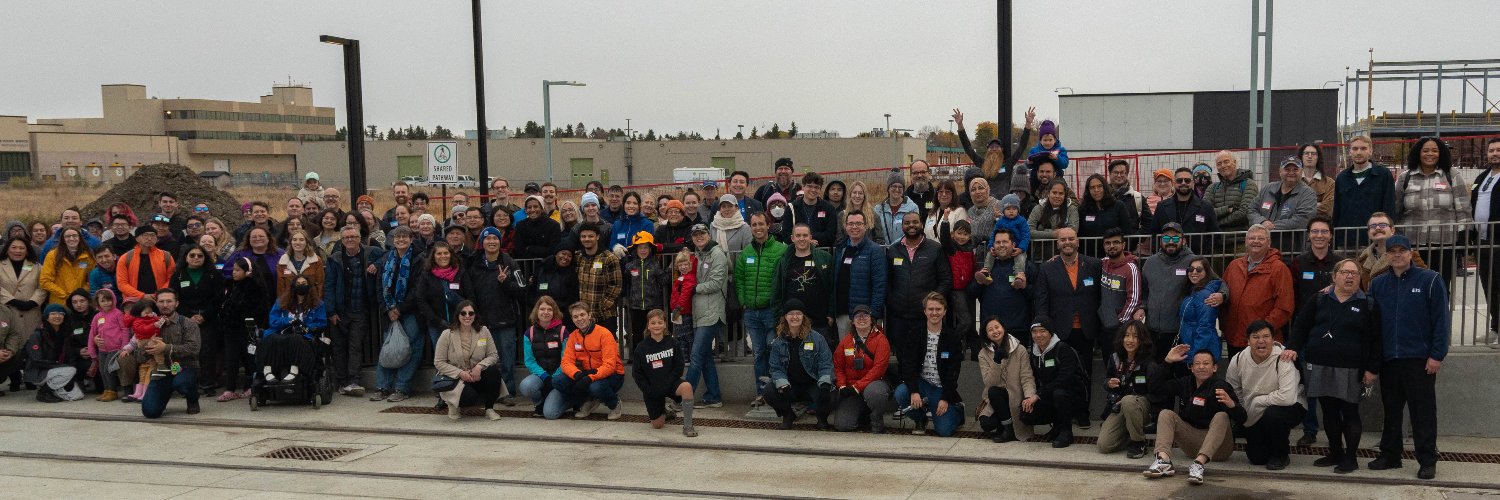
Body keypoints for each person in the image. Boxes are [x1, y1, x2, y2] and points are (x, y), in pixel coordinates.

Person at [1287, 258, 1381, 473]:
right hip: (1320, 365)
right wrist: (1292, 346)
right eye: (1345, 272)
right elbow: (1301, 325)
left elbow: (1376, 340)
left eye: (1354, 273)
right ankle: (1335, 452)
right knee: (1328, 412)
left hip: (1351, 369)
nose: (1349, 276)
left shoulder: (1368, 304)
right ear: (1334, 276)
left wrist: (1372, 369)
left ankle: (1350, 457)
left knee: (1349, 413)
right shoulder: (1319, 298)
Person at [1367, 234, 1447, 480]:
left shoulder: (1430, 279)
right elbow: (1373, 324)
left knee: (1422, 412)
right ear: (1387, 255)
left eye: (1403, 250)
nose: (1398, 254)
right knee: (1391, 410)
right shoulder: (1378, 284)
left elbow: (1441, 321)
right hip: (1390, 359)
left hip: (1419, 359)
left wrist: (1436, 355)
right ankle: (1391, 455)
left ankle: (1427, 459)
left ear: (1411, 253)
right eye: (1393, 251)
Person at [1143, 346, 1247, 486]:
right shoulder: (1185, 383)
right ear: (1191, 368)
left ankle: (1198, 464)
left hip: (1220, 448)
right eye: (1197, 364)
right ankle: (1163, 461)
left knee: (1221, 416)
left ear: (1214, 367)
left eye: (1206, 363)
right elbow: (1155, 387)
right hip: (1192, 444)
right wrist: (1167, 361)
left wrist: (1231, 404)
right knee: (1166, 414)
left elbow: (1243, 418)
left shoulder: (1221, 386)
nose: (1201, 367)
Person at [1034, 227, 1102, 425]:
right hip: (1059, 331)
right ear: (1057, 243)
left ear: (1078, 241)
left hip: (1086, 329)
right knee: (1058, 374)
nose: (1067, 242)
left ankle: (1083, 414)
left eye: (1071, 238)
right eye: (1063, 239)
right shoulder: (1047, 268)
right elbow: (1042, 301)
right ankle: (1060, 415)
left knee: (1084, 374)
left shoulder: (1094, 265)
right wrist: (1043, 329)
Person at [1225, 320, 1306, 470]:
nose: (1261, 341)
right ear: (1248, 341)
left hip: (1290, 407)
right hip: (1254, 411)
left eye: (1266, 336)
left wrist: (1258, 401)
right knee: (1257, 458)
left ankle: (1281, 454)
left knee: (1273, 415)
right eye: (1255, 337)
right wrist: (1245, 411)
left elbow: (1287, 397)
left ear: (1273, 339)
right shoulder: (1237, 359)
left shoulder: (1283, 358)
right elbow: (1234, 390)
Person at [1290, 216, 1341, 445]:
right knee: (1308, 383)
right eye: (1315, 231)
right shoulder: (1298, 263)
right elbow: (1291, 297)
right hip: (1307, 330)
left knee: (1333, 382)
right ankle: (1309, 430)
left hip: (1334, 330)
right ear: (1308, 235)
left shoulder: (1340, 263)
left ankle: (1335, 431)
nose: (1319, 236)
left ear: (1330, 235)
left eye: (1324, 232)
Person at [463, 226, 526, 405]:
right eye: (487, 238)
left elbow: (522, 291)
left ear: (500, 242)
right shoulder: (474, 264)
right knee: (484, 361)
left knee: (506, 360)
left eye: (495, 238)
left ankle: (507, 393)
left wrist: (506, 283)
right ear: (482, 242)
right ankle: (489, 392)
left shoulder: (509, 262)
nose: (491, 241)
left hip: (506, 320)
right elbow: (470, 292)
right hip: (482, 323)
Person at [1395, 136, 1469, 288]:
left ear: (1441, 153)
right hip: (1412, 245)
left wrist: (1464, 234)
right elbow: (1396, 209)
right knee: (1413, 288)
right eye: (1426, 150)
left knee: (1440, 287)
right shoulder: (1405, 178)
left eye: (1435, 150)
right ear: (1418, 153)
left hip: (1444, 244)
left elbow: (1463, 208)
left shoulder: (1452, 175)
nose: (1430, 154)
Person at [893, 293, 965, 437]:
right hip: (922, 384)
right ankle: (920, 418)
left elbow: (953, 372)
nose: (934, 313)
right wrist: (914, 391)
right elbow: (908, 365)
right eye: (930, 309)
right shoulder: (915, 333)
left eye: (938, 309)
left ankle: (957, 410)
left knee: (945, 431)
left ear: (944, 311)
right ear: (925, 311)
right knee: (901, 393)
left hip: (941, 389)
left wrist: (945, 399)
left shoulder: (953, 337)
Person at [1219, 226, 1294, 358]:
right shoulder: (1234, 266)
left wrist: (1263, 331)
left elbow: (1284, 306)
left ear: (1269, 243)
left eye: (1261, 238)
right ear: (1246, 241)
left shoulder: (1279, 269)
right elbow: (1223, 293)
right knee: (1235, 378)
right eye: (1252, 238)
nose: (1256, 241)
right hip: (1234, 338)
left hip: (1262, 343)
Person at [325, 225, 381, 397]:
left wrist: (376, 265)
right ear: (342, 240)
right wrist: (331, 311)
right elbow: (329, 286)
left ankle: (354, 381)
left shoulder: (370, 252)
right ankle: (342, 382)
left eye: (353, 237)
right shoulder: (335, 259)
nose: (350, 240)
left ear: (359, 238)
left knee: (355, 346)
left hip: (360, 310)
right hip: (340, 311)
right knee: (339, 347)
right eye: (346, 237)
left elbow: (388, 255)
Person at [762, 299, 835, 430]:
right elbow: (775, 367)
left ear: (804, 317)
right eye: (791, 314)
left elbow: (826, 362)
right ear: (785, 317)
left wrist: (824, 380)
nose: (795, 317)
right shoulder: (778, 342)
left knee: (830, 391)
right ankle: (788, 415)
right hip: (790, 386)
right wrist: (782, 382)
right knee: (768, 390)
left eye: (798, 313)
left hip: (813, 383)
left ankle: (822, 418)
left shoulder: (817, 338)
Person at [735, 212, 786, 398]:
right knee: (758, 353)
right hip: (751, 313)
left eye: (761, 224)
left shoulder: (781, 250)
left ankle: (777, 390)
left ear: (768, 225)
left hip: (772, 311)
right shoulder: (746, 252)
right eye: (754, 224)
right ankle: (762, 393)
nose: (757, 228)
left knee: (773, 349)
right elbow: (739, 279)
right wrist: (743, 302)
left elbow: (784, 279)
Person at [370, 226, 423, 403]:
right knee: (388, 349)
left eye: (404, 237)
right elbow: (379, 286)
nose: (400, 240)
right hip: (389, 312)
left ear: (411, 239)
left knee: (411, 350)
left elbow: (418, 288)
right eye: (397, 237)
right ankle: (382, 386)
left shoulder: (419, 259)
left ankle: (402, 387)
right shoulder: (386, 258)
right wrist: (388, 309)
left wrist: (400, 308)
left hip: (411, 313)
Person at [885, 212, 952, 352]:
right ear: (902, 226)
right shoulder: (893, 250)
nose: (911, 225)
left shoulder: (935, 249)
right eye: (907, 223)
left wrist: (933, 303)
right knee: (902, 358)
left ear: (921, 224)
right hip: (899, 316)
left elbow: (945, 279)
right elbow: (887, 281)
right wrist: (892, 301)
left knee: (924, 356)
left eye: (915, 222)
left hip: (924, 316)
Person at [432, 300, 503, 421]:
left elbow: (493, 355)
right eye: (463, 313)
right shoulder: (447, 334)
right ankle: (453, 405)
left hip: (476, 376)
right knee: (469, 398)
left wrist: (479, 367)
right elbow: (439, 362)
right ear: (457, 315)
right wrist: (460, 373)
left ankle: (489, 408)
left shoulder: (483, 331)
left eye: (471, 313)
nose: (467, 316)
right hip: (455, 378)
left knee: (493, 372)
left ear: (475, 315)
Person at [136, 289, 202, 418]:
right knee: (150, 412)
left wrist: (166, 348)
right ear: (157, 303)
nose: (165, 305)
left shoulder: (188, 324)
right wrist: (147, 348)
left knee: (182, 384)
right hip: (160, 371)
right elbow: (138, 357)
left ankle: (193, 399)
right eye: (161, 301)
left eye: (169, 301)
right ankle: (162, 397)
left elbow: (194, 349)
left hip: (185, 367)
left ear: (176, 303)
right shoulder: (148, 325)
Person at [631, 309, 698, 436]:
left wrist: (667, 383)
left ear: (665, 324)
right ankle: (665, 412)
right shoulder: (641, 347)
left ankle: (688, 426)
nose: (657, 325)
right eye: (653, 323)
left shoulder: (673, 343)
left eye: (660, 322)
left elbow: (679, 366)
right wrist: (648, 389)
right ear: (648, 325)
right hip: (652, 388)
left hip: (670, 383)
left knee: (687, 387)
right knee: (658, 425)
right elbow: (637, 373)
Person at [555, 302, 626, 419]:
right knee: (558, 381)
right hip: (585, 373)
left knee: (595, 387)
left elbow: (609, 365)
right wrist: (576, 374)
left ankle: (614, 403)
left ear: (589, 315)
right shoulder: (573, 336)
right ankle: (588, 400)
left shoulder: (604, 334)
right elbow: (566, 362)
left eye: (582, 315)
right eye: (575, 317)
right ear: (572, 319)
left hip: (612, 375)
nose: (579, 319)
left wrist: (589, 378)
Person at [1097, 321, 1158, 458]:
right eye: (1127, 335)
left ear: (1142, 340)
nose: (1130, 340)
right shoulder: (1115, 358)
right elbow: (1106, 380)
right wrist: (1108, 383)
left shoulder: (1149, 363)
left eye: (1135, 336)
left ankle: (1139, 442)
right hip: (1119, 406)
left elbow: (1156, 394)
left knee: (1129, 401)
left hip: (1141, 407)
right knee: (1104, 445)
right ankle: (1130, 432)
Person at [1021, 322, 1086, 447]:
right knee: (1025, 413)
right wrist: (1030, 396)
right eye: (1034, 331)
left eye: (1042, 331)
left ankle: (1066, 431)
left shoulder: (1063, 349)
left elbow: (1065, 379)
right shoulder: (1034, 353)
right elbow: (1032, 377)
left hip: (1072, 396)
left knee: (1059, 394)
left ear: (1050, 333)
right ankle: (1056, 427)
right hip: (1048, 394)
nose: (1038, 335)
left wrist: (1039, 395)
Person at [686, 223, 729, 408]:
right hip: (698, 312)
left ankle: (684, 398)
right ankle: (714, 396)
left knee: (696, 356)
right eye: (695, 235)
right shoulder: (695, 255)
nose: (699, 237)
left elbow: (717, 282)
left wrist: (693, 288)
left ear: (708, 235)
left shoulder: (717, 254)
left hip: (712, 312)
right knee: (705, 357)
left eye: (702, 233)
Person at [971, 228, 1040, 343]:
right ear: (993, 245)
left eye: (1005, 242)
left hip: (1017, 329)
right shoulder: (986, 269)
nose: (1001, 245)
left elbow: (1038, 294)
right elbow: (971, 293)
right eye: (998, 242)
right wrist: (979, 283)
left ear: (1013, 245)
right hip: (991, 329)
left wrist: (1024, 287)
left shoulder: (1027, 267)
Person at [831, 305, 892, 432]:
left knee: (876, 393)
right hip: (852, 388)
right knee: (843, 425)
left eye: (865, 315)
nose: (862, 318)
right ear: (852, 321)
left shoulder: (881, 340)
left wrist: (857, 387)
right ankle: (863, 414)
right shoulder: (846, 341)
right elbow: (838, 366)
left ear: (871, 320)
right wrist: (842, 385)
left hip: (873, 384)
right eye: (858, 316)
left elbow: (879, 369)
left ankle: (876, 419)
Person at [173, 244, 224, 395]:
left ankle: (208, 383)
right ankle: (188, 385)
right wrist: (189, 315)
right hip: (185, 318)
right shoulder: (178, 275)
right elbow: (174, 298)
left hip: (209, 318)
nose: (196, 258)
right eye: (192, 255)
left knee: (207, 350)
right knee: (187, 352)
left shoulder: (214, 275)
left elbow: (218, 297)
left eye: (200, 256)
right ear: (186, 258)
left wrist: (204, 316)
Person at [259, 275, 327, 387]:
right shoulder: (281, 302)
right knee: (270, 337)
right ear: (293, 286)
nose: (301, 286)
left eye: (304, 283)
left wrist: (306, 327)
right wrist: (289, 321)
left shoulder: (318, 305)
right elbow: (273, 321)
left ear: (309, 286)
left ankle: (294, 370)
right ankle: (267, 370)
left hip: (303, 337)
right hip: (282, 333)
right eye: (298, 283)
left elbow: (321, 323)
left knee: (296, 338)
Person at [215, 257, 267, 402]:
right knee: (231, 358)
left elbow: (254, 309)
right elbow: (222, 303)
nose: (234, 273)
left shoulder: (255, 287)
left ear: (248, 271)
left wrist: (231, 308)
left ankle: (251, 385)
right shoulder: (230, 285)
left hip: (246, 329)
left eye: (238, 270)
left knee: (249, 357)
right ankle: (230, 389)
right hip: (230, 328)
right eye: (233, 270)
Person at [976, 318, 1036, 443]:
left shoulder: (1020, 350)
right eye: (990, 330)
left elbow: (1027, 377)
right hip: (995, 398)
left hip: (1016, 397)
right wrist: (996, 362)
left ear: (1003, 328)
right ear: (986, 335)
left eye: (997, 327)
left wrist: (1029, 396)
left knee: (1004, 398)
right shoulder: (983, 353)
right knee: (987, 423)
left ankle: (1007, 428)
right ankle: (1007, 426)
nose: (995, 331)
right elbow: (989, 383)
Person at [953, 107, 1032, 199]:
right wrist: (960, 125)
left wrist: (1028, 124)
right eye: (991, 147)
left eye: (997, 147)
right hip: (985, 202)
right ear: (987, 150)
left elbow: (1021, 147)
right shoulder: (981, 164)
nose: (994, 149)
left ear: (1002, 149)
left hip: (1004, 203)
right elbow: (968, 148)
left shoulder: (1007, 164)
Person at [1333, 136, 1398, 247]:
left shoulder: (1383, 175)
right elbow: (1337, 211)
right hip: (1346, 241)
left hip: (1376, 241)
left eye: (1363, 148)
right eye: (1355, 149)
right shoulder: (1342, 178)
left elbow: (1389, 207)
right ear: (1349, 152)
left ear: (1370, 151)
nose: (1359, 152)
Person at [831, 212, 886, 335]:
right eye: (850, 223)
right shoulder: (840, 250)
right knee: (847, 352)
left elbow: (880, 285)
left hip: (865, 316)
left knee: (865, 353)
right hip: (843, 314)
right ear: (845, 227)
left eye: (858, 223)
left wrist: (874, 314)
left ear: (866, 226)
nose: (854, 227)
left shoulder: (875, 251)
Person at [1248, 157, 1319, 252]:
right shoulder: (1267, 188)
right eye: (1287, 169)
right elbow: (1251, 210)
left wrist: (1272, 226)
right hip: (1263, 249)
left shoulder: (1308, 194)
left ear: (1301, 172)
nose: (1291, 172)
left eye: (1295, 169)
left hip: (1291, 251)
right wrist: (1262, 222)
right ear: (1280, 171)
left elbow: (1303, 219)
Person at [1470, 137, 1500, 347]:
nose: (1495, 154)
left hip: (1499, 241)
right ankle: (1496, 327)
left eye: (1499, 150)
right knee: (1490, 286)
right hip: (1483, 242)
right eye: (1491, 150)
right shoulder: (1482, 177)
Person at [1149, 168, 1219, 253]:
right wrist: (1159, 255)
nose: (1183, 183)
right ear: (1174, 183)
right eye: (1179, 180)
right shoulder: (1162, 206)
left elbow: (1214, 234)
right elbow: (1154, 234)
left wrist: (1205, 255)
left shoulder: (1206, 207)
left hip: (1196, 259)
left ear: (1193, 183)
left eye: (1187, 180)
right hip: (1168, 259)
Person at [26, 304, 85, 402]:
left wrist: (71, 378)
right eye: (53, 314)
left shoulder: (65, 333)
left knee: (77, 396)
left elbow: (71, 356)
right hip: (39, 372)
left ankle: (53, 390)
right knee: (70, 370)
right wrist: (61, 366)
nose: (57, 316)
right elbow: (37, 360)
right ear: (46, 317)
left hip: (60, 371)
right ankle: (44, 392)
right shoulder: (37, 335)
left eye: (60, 314)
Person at [521, 296, 568, 418]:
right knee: (526, 386)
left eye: (549, 309)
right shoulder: (529, 333)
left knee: (551, 414)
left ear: (554, 312)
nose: (545, 312)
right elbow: (529, 360)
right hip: (540, 375)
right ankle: (539, 404)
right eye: (542, 309)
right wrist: (544, 376)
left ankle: (570, 401)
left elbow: (566, 358)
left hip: (559, 376)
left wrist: (555, 376)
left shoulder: (563, 331)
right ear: (537, 311)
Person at [1354, 212, 1428, 289]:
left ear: (1392, 230)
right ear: (1369, 233)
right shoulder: (1362, 260)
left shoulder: (1409, 255)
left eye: (1382, 225)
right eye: (1373, 226)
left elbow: (1424, 280)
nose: (1378, 228)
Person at [621, 231, 666, 348]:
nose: (643, 250)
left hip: (653, 306)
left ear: (650, 249)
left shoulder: (655, 264)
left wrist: (672, 270)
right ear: (635, 249)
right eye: (640, 247)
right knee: (637, 333)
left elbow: (663, 280)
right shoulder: (630, 266)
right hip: (635, 306)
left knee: (654, 332)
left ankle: (656, 355)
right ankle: (638, 358)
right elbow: (624, 280)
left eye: (645, 247)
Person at [574, 223, 621, 332]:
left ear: (597, 237)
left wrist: (602, 306)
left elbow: (616, 285)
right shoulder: (578, 257)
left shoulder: (609, 258)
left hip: (605, 315)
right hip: (584, 316)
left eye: (590, 236)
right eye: (583, 236)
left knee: (607, 347)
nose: (587, 239)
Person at [1098, 228, 1143, 344]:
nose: (1111, 246)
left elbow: (1134, 299)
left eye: (1116, 242)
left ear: (1123, 245)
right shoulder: (1102, 263)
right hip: (1104, 324)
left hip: (1120, 328)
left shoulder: (1131, 268)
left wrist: (1120, 322)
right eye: (1108, 243)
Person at [3, 237, 47, 352]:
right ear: (7, 249)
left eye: (22, 248)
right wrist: (12, 301)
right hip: (6, 312)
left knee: (32, 348)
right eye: (14, 247)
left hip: (31, 313)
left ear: (27, 250)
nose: (18, 251)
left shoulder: (36, 266)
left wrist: (33, 302)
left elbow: (43, 286)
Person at [1178, 256, 1225, 364]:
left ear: (1207, 272)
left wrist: (1195, 356)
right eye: (1191, 269)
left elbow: (1205, 327)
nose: (1194, 272)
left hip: (1202, 350)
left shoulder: (1204, 294)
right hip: (1192, 346)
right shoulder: (1194, 291)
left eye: (1199, 270)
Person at [115, 225, 177, 302]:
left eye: (153, 235)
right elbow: (122, 284)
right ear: (137, 238)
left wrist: (159, 294)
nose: (149, 238)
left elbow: (171, 279)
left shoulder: (166, 256)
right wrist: (142, 296)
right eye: (145, 235)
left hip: (160, 300)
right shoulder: (125, 258)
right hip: (134, 301)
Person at [86, 289, 128, 401]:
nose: (106, 303)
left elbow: (124, 330)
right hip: (102, 350)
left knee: (108, 370)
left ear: (113, 299)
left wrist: (124, 346)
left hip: (115, 349)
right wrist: (92, 351)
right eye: (103, 300)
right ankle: (107, 390)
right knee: (102, 371)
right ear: (98, 302)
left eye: (109, 300)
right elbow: (92, 334)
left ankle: (112, 391)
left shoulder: (118, 314)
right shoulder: (97, 317)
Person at [1208, 151, 1260, 237]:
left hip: (1240, 241)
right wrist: (1227, 209)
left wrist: (1217, 223)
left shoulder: (1248, 184)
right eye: (1219, 163)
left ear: (1235, 162)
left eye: (1226, 161)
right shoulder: (1212, 188)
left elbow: (1245, 213)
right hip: (1216, 242)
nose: (1223, 166)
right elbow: (1205, 212)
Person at [1078, 174, 1133, 256]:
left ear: (1105, 187)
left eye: (1099, 186)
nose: (1096, 190)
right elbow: (1080, 233)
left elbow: (1127, 231)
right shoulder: (1083, 209)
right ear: (1088, 190)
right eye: (1092, 187)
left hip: (1113, 256)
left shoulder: (1118, 206)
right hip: (1089, 257)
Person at [40, 228, 93, 306]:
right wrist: (64, 294)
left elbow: (91, 279)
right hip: (59, 301)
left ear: (80, 238)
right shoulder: (52, 256)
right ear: (63, 239)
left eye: (74, 236)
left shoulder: (88, 256)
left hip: (81, 302)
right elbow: (45, 281)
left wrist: (80, 293)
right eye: (68, 236)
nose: (71, 238)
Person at [1029, 179, 1079, 258]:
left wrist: (1041, 231)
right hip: (1041, 256)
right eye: (1054, 193)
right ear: (1048, 193)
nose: (1057, 196)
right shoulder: (1038, 209)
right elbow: (1029, 231)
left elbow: (1073, 229)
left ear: (1065, 195)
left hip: (1065, 256)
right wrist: (1053, 234)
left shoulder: (1071, 209)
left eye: (1061, 193)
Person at [873, 171, 919, 247]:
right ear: (888, 188)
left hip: (904, 250)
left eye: (900, 187)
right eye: (894, 186)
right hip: (883, 251)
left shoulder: (912, 208)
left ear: (903, 189)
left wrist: (895, 247)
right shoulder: (879, 209)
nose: (897, 189)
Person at [275, 229, 324, 300]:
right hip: (289, 302)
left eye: (301, 240)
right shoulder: (283, 262)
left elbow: (320, 284)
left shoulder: (316, 261)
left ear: (307, 242)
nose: (297, 242)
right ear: (290, 242)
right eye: (294, 240)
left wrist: (317, 303)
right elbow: (281, 288)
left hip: (311, 301)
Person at [514, 196, 561, 260]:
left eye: (536, 206)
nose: (532, 210)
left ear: (542, 209)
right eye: (529, 207)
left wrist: (530, 248)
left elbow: (553, 250)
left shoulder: (553, 225)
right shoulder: (520, 225)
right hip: (525, 266)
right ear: (526, 210)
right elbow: (519, 251)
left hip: (548, 265)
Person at [1107, 159, 1148, 234]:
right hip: (1107, 244)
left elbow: (1148, 222)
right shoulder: (1103, 197)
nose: (1119, 175)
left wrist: (1136, 239)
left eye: (1122, 172)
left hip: (1130, 244)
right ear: (1109, 174)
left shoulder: (1137, 198)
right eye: (1116, 172)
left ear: (1127, 174)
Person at [1027, 119, 1070, 187]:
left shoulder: (1061, 150)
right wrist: (1029, 163)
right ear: (1040, 140)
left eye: (1050, 140)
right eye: (1045, 140)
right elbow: (1028, 165)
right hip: (1037, 180)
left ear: (1055, 140)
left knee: (1061, 186)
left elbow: (1065, 164)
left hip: (1056, 179)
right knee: (1032, 182)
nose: (1048, 143)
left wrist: (1056, 158)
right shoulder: (1034, 150)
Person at [1299, 143, 1336, 219]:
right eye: (1306, 153)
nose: (1310, 156)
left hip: (1321, 227)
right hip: (1297, 227)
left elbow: (1327, 208)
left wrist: (1300, 208)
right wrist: (1318, 204)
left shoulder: (1329, 183)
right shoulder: (1293, 181)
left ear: (1318, 158)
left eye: (1313, 154)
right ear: (1301, 157)